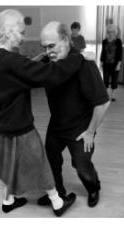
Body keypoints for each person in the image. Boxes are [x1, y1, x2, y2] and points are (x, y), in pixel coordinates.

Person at [0, 9, 84, 217]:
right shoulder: (12, 61)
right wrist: (76, 60)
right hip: (19, 126)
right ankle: (57, 202)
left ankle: (8, 201)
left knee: (10, 164)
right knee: (41, 162)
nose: (24, 37)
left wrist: (39, 58)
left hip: (0, 125)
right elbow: (50, 75)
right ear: (8, 32)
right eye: (22, 32)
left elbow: (19, 73)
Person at [37, 21, 110, 208]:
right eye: (44, 47)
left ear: (66, 40)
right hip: (57, 125)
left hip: (81, 128)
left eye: (51, 46)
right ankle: (58, 194)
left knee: (81, 167)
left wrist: (90, 131)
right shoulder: (48, 62)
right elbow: (30, 66)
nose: (48, 52)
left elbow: (102, 102)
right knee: (50, 159)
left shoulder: (85, 65)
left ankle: (94, 188)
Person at [100, 24, 122, 102]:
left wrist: (119, 64)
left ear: (115, 32)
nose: (110, 33)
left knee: (114, 80)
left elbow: (120, 53)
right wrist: (101, 62)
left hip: (115, 64)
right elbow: (103, 52)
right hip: (106, 64)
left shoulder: (118, 41)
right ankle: (105, 95)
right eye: (109, 32)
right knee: (105, 80)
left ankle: (112, 96)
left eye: (112, 32)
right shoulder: (104, 41)